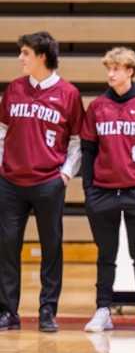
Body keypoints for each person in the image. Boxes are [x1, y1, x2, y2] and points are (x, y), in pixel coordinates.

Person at [0, 31, 84, 333]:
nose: (20, 58)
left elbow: (76, 142)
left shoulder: (69, 94)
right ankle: (8, 312)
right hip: (10, 182)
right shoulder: (14, 88)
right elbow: (1, 132)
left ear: (42, 56)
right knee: (7, 246)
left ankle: (48, 310)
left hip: (49, 182)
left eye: (25, 53)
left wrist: (65, 175)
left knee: (52, 247)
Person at [81, 47, 135, 334]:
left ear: (130, 71)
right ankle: (103, 310)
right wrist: (88, 188)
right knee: (106, 254)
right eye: (108, 68)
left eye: (116, 68)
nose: (110, 74)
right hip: (102, 192)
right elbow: (88, 149)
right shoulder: (96, 107)